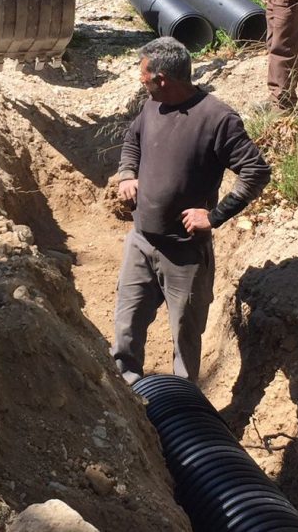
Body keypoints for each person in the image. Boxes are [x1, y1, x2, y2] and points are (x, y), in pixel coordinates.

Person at [112, 37, 271, 386]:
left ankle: (184, 412)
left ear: (163, 78)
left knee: (185, 337)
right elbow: (132, 140)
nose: (141, 80)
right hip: (140, 243)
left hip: (184, 253)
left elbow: (256, 171)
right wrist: (127, 174)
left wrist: (213, 217)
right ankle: (128, 405)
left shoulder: (217, 118)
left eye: (144, 75)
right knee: (125, 331)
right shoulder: (152, 106)